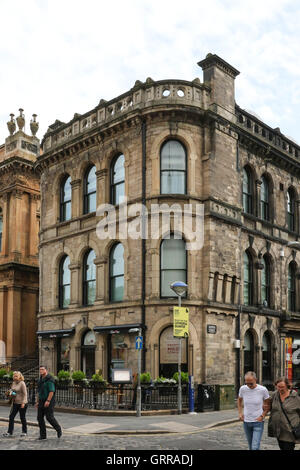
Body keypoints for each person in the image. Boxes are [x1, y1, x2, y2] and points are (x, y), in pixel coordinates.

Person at [237, 371, 270, 450]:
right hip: (246, 422)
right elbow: (239, 401)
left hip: (258, 422)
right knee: (250, 446)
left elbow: (268, 405)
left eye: (251, 383)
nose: (249, 385)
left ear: (256, 380)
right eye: (247, 383)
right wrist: (240, 413)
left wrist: (262, 416)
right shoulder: (243, 388)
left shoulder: (263, 390)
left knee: (255, 446)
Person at [267, 376, 300, 450]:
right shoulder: (274, 395)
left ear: (287, 385)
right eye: (278, 387)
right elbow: (269, 407)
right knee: (282, 447)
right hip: (279, 430)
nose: (280, 389)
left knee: (288, 447)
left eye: (282, 387)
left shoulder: (294, 396)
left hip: (290, 430)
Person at [36, 365, 62, 440]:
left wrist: (48, 401)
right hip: (41, 400)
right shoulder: (40, 380)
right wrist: (37, 401)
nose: (41, 371)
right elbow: (38, 391)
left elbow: (51, 391)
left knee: (49, 417)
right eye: (40, 369)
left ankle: (58, 429)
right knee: (39, 418)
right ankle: (43, 435)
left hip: (49, 400)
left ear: (46, 370)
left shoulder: (50, 379)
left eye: (42, 369)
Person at [3, 371, 28, 438]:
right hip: (15, 403)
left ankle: (24, 431)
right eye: (14, 376)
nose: (15, 377)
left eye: (16, 376)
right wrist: (9, 393)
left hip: (22, 403)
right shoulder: (13, 383)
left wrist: (23, 403)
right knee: (11, 417)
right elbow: (14, 392)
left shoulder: (22, 383)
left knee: (22, 417)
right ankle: (9, 432)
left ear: (20, 376)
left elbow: (25, 394)